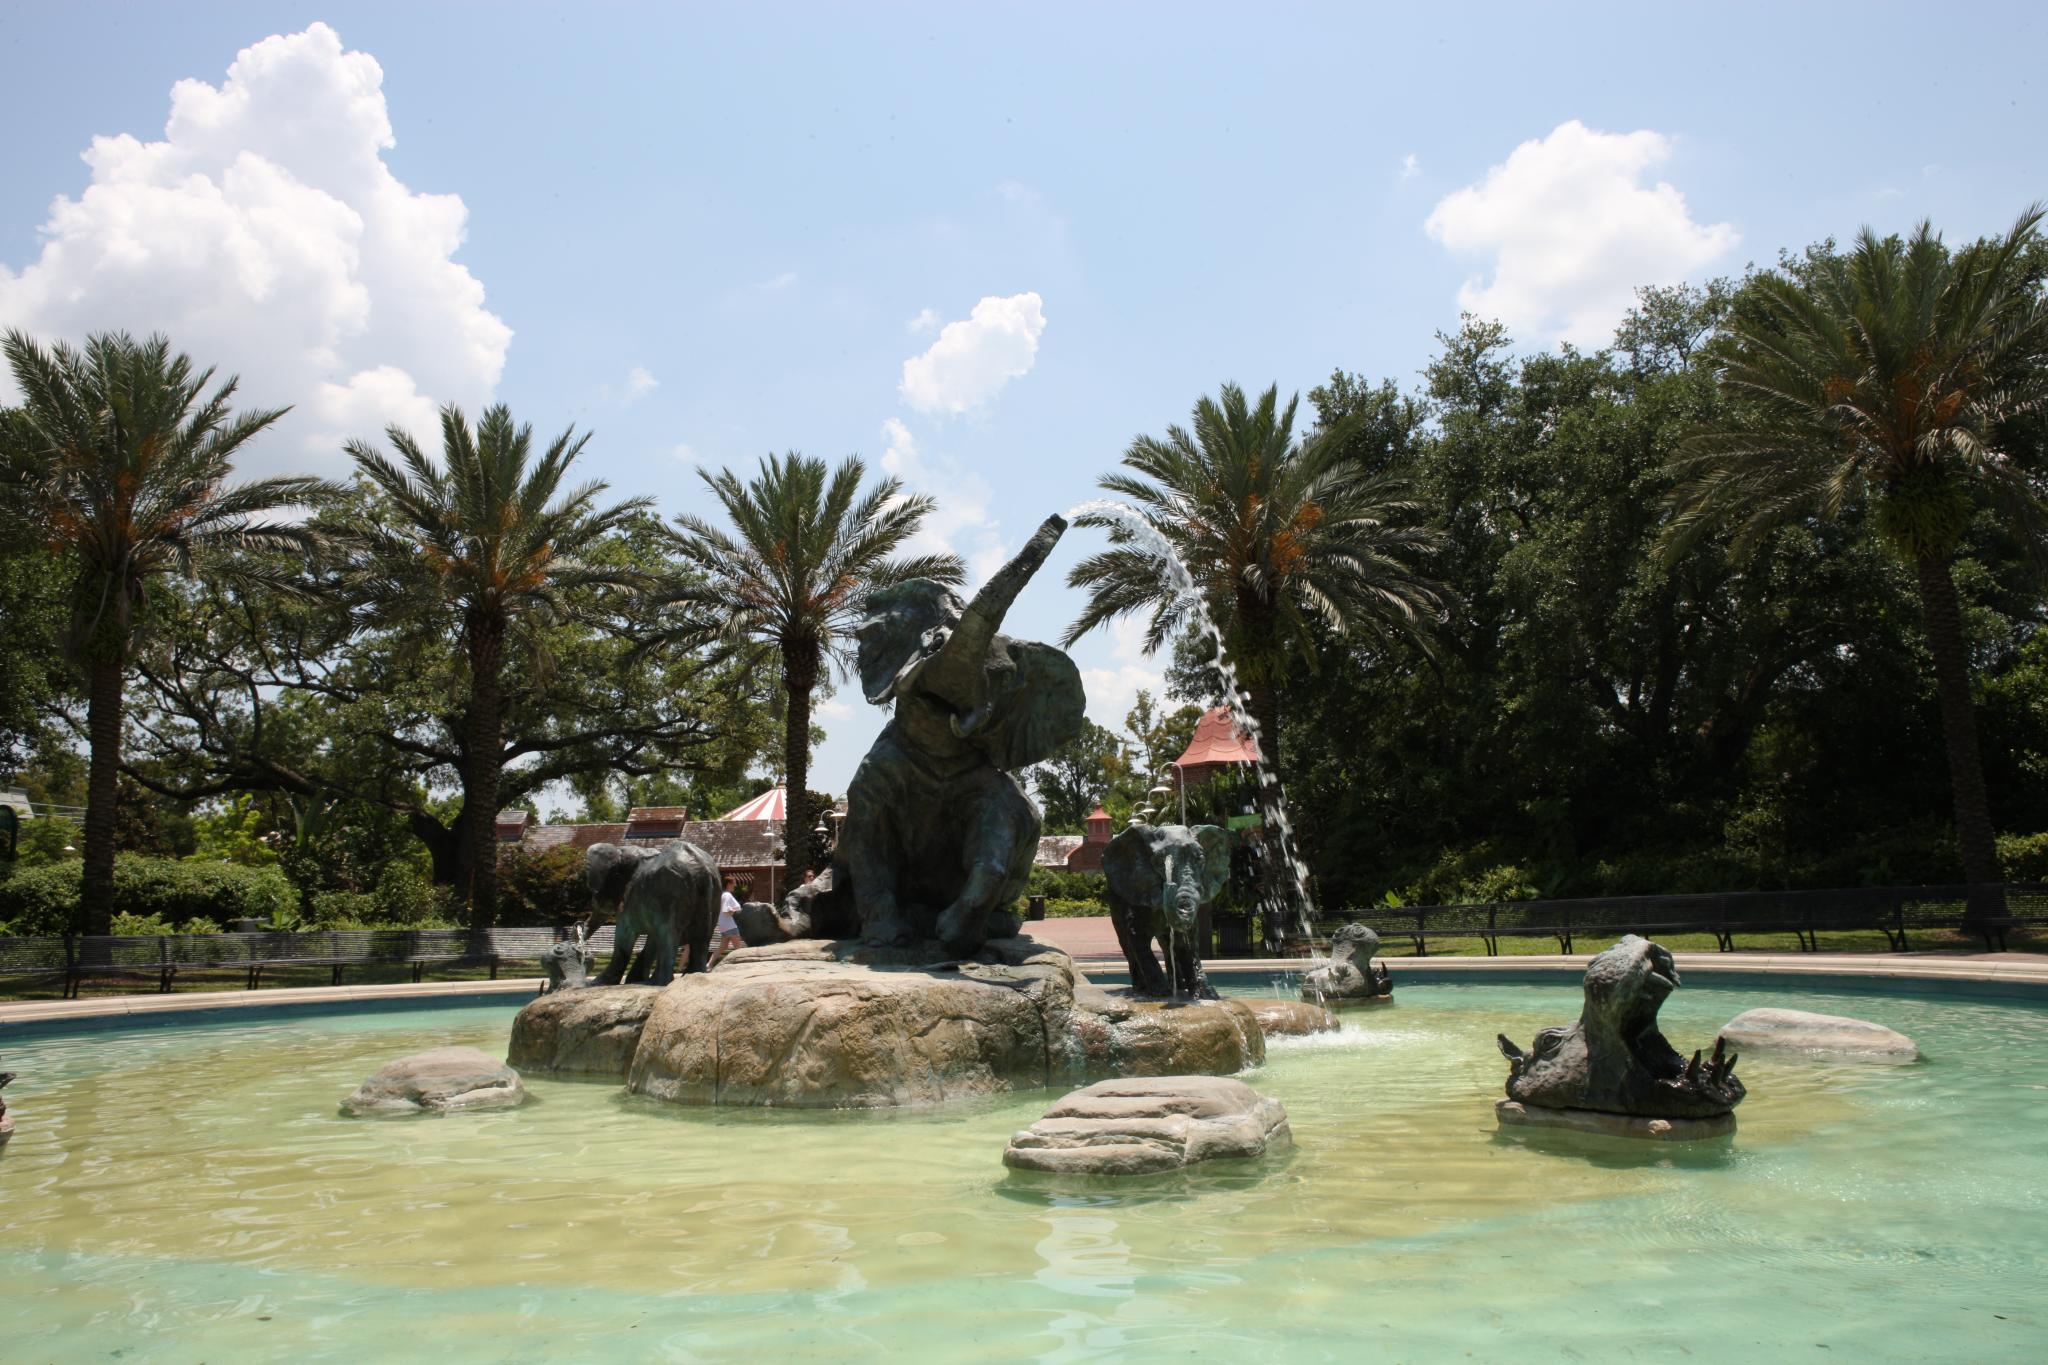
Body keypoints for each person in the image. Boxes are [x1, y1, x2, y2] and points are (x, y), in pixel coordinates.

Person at [709, 877, 745, 967]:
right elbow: (726, 910)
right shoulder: (727, 895)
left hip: (723, 924)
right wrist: (734, 910)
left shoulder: (722, 895)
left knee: (723, 947)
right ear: (729, 884)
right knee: (738, 948)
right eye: (734, 883)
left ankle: (708, 965)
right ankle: (741, 965)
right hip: (730, 925)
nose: (735, 885)